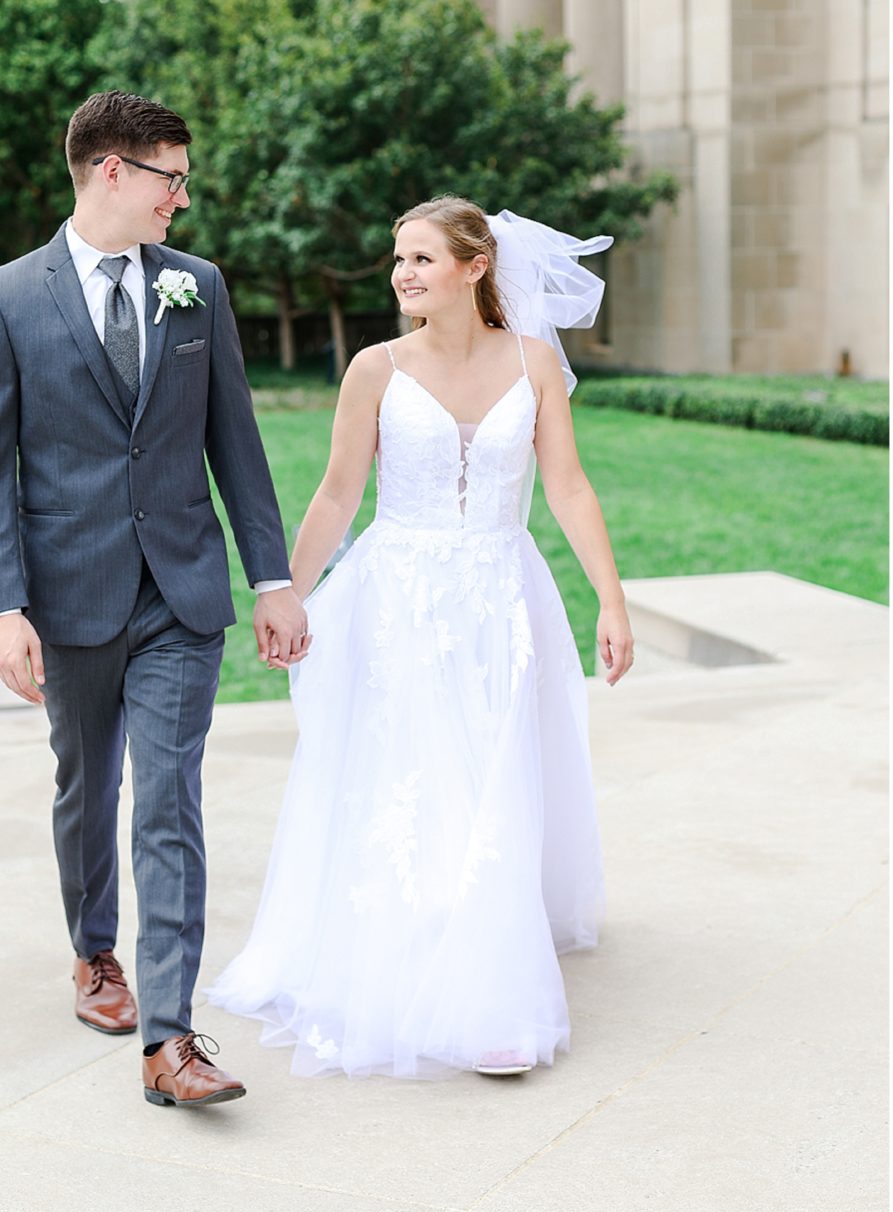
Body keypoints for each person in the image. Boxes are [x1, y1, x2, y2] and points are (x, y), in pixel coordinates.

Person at [207, 195, 633, 1080]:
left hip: (502, 596)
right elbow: (335, 495)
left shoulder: (535, 365)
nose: (401, 275)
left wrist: (612, 601)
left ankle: (487, 970)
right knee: (417, 773)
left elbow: (570, 490)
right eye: (397, 259)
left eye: (421, 259)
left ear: (475, 268)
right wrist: (285, 592)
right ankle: (433, 964)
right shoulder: (374, 367)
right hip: (395, 599)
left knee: (493, 770)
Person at [0, 89, 308, 1109]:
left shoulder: (197, 287)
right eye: (170, 177)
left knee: (167, 801)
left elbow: (232, 439)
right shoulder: (7, 299)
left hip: (180, 598)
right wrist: (1, 606)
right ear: (111, 170)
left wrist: (271, 577)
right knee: (84, 786)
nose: (180, 200)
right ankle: (93, 950)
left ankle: (170, 1039)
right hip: (67, 599)